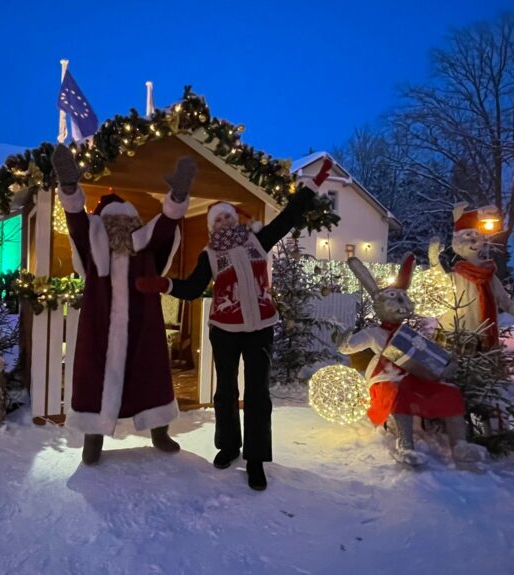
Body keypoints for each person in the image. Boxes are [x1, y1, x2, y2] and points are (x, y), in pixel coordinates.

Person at [136, 159, 332, 490]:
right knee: (225, 391)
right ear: (212, 227)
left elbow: (289, 217)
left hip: (260, 328)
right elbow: (192, 288)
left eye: (227, 216)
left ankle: (255, 460)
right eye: (218, 219)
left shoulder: (258, 241)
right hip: (224, 330)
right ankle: (229, 447)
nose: (224, 221)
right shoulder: (208, 255)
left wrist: (313, 185)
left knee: (258, 394)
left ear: (235, 218)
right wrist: (164, 284)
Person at [51, 146, 195, 465]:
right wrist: (71, 190)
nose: (119, 224)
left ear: (133, 221)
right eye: (112, 220)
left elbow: (165, 227)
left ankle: (159, 431)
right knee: (94, 379)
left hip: (143, 322)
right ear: (102, 223)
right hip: (100, 323)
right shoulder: (94, 242)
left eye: (125, 219)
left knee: (151, 374)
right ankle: (93, 437)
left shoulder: (144, 242)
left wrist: (177, 197)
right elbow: (77, 222)